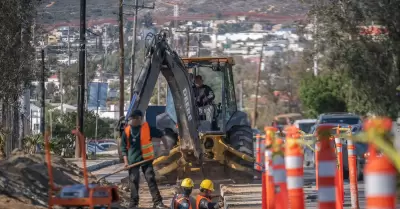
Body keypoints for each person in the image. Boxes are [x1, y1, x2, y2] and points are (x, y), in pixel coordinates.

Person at [121, 109, 169, 209]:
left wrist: (166, 148)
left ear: (140, 119)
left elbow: (162, 135)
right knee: (133, 180)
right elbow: (123, 148)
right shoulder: (126, 131)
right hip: (132, 161)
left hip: (146, 160)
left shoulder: (147, 128)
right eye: (133, 119)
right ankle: (134, 204)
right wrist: (126, 163)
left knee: (150, 178)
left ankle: (157, 202)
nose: (135, 120)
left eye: (138, 118)